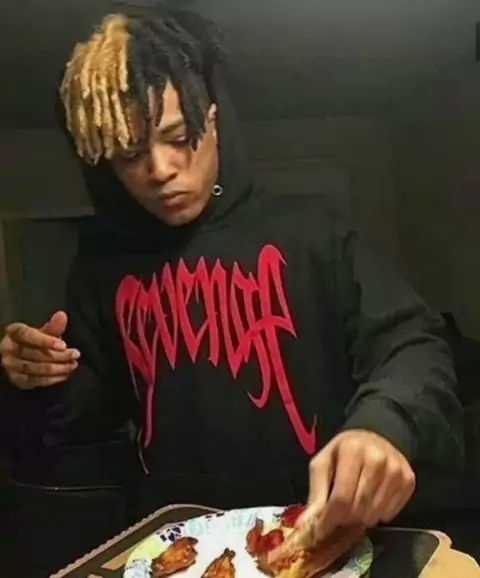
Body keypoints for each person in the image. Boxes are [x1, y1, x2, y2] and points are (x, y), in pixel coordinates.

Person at [0, 4, 464, 574]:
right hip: (179, 546)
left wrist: (384, 424)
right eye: (130, 154)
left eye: (178, 137)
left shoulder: (313, 230)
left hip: (319, 534)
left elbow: (413, 342)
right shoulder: (101, 265)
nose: (160, 170)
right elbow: (86, 420)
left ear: (213, 122)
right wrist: (40, 380)